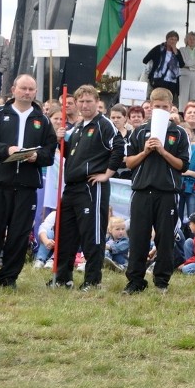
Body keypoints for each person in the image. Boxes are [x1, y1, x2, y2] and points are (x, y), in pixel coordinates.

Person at [50, 85, 125, 291]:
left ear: (96, 101)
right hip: (71, 187)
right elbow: (71, 156)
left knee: (92, 235)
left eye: (88, 101)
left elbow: (119, 147)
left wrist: (107, 173)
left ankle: (93, 280)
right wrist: (59, 141)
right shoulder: (76, 128)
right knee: (65, 233)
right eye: (80, 101)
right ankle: (63, 278)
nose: (84, 105)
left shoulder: (104, 124)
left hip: (91, 187)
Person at [122, 87, 190, 294]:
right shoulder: (139, 131)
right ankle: (135, 281)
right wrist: (145, 151)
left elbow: (183, 165)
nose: (160, 109)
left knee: (165, 238)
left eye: (164, 107)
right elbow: (129, 162)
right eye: (156, 106)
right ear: (150, 107)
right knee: (138, 237)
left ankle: (161, 282)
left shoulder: (178, 133)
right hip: (142, 191)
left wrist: (162, 151)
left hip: (167, 192)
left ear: (171, 108)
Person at [0, 74, 58, 288]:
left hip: (27, 185)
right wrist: (6, 149)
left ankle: (8, 278)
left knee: (20, 234)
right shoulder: (0, 114)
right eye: (23, 88)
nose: (27, 92)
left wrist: (36, 157)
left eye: (31, 89)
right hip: (0, 183)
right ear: (13, 89)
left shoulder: (42, 120)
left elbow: (50, 153)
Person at [144, 30, 186, 106]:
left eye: (175, 40)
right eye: (171, 39)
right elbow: (145, 59)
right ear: (167, 39)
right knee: (157, 98)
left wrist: (176, 53)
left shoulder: (178, 52)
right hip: (158, 79)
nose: (173, 41)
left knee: (169, 100)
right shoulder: (159, 49)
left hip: (171, 81)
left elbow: (182, 64)